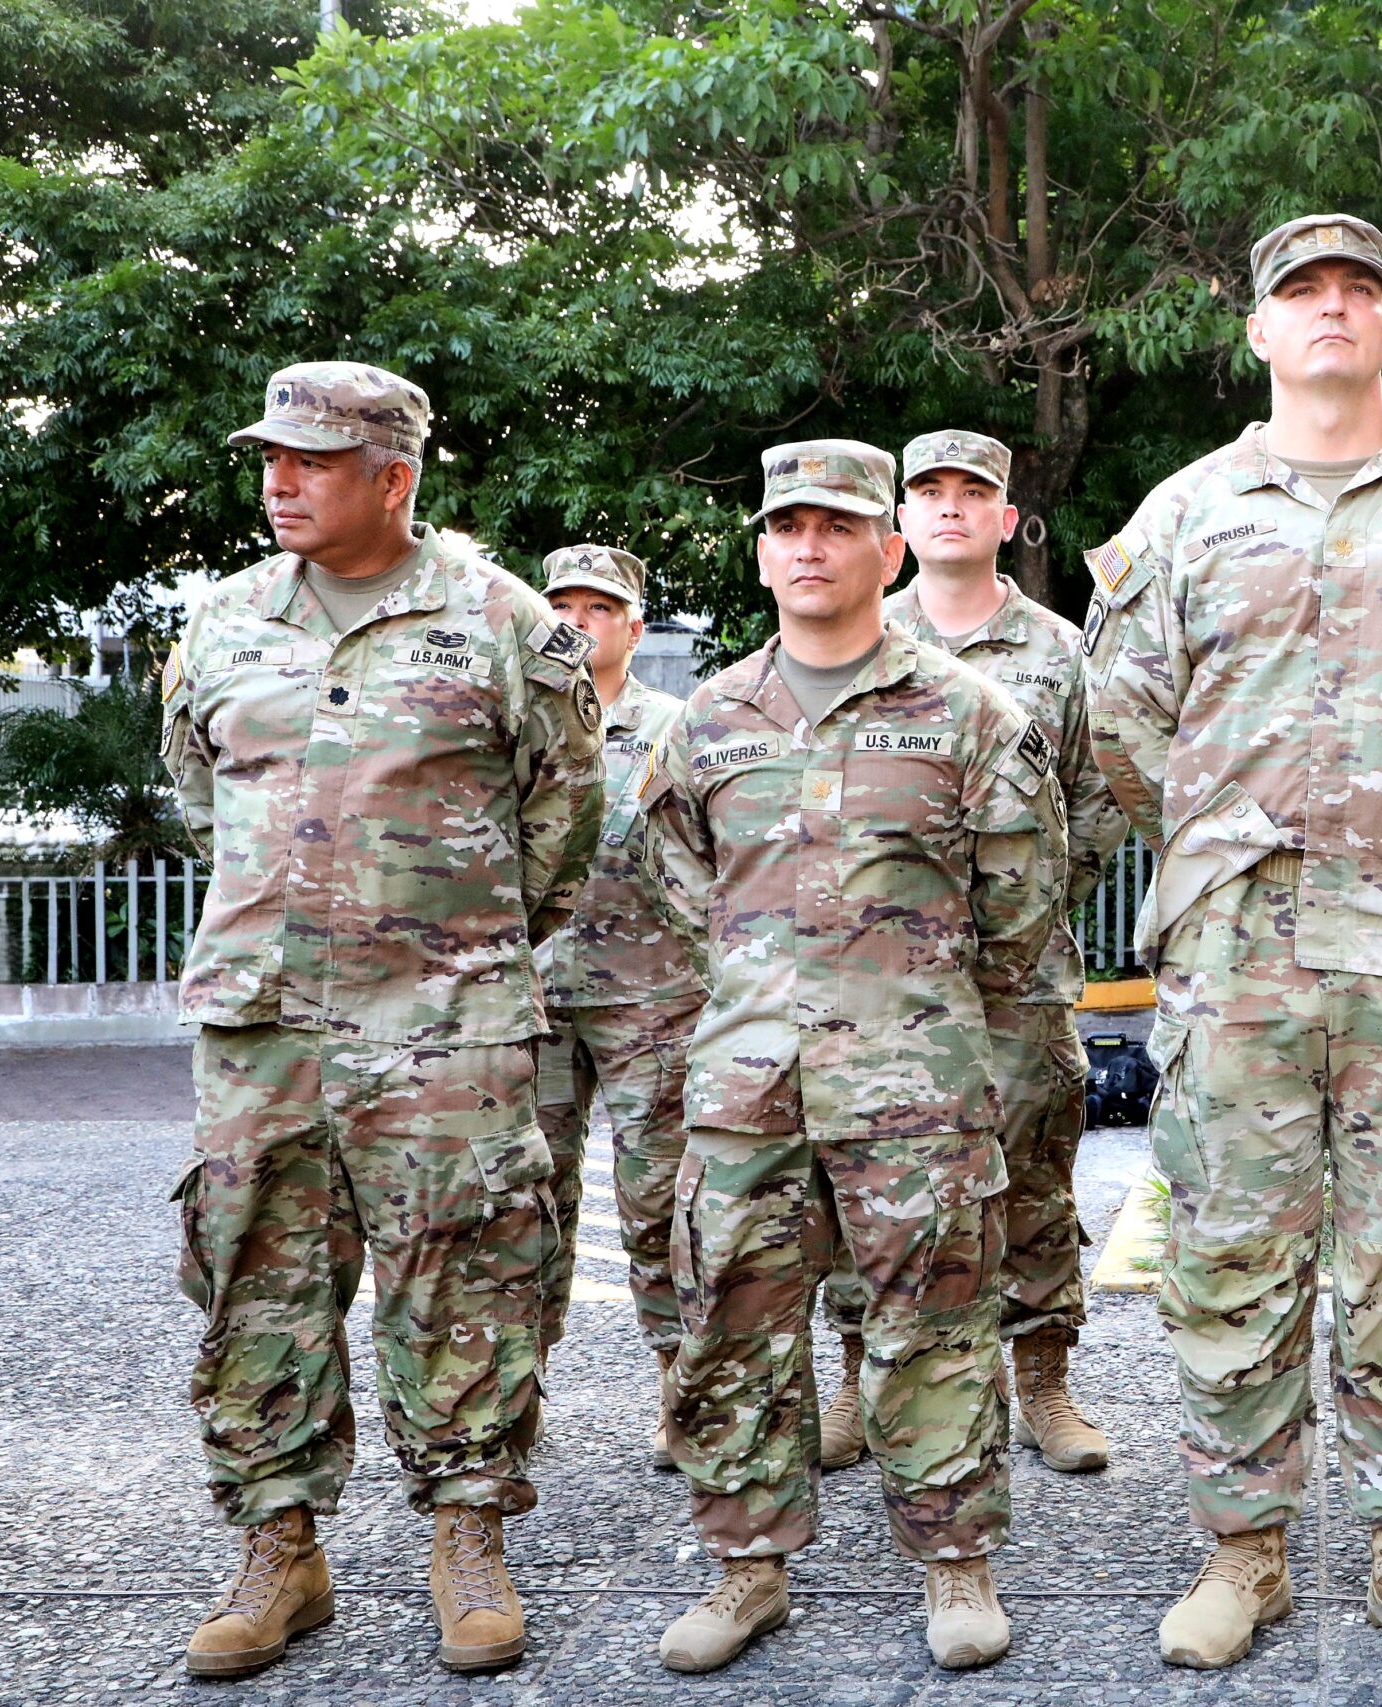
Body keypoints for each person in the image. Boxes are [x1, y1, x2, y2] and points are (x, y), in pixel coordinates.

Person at [1086, 214, 1382, 1681]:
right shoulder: (1185, 514)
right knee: (1231, 1250)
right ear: (1259, 329)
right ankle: (1245, 1548)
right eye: (1303, 291)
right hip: (1236, 947)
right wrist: (1228, 842)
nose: (1333, 309)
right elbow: (1126, 724)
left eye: (1360, 289)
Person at [162, 361, 602, 1678]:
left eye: (310, 460)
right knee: (256, 1275)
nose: (279, 482)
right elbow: (201, 795)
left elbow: (563, 816)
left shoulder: (506, 622)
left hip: (446, 1013)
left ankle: (468, 1536)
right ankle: (279, 1549)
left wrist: (453, 936)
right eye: (270, 458)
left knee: (466, 1272)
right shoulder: (223, 621)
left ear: (392, 477)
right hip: (263, 1018)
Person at [637, 440, 1068, 1676]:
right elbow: (680, 884)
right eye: (787, 528)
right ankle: (747, 1568)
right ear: (762, 555)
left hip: (914, 1084)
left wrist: (912, 1010)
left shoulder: (972, 715)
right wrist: (768, 990)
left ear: (887, 550)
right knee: (735, 1319)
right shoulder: (708, 721)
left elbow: (1019, 905)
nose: (809, 548)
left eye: (836, 527)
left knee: (936, 1320)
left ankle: (954, 1561)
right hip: (747, 1085)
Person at [814, 430, 1129, 1476]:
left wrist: (1025, 906)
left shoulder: (1060, 652)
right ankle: (863, 1378)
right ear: (901, 522)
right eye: (930, 491)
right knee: (869, 1175)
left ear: (1007, 518)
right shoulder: (853, 635)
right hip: (882, 978)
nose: (951, 506)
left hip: (1018, 974)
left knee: (1033, 1179)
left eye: (973, 492)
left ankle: (1042, 1382)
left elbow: (1099, 792)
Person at [528, 543, 706, 1465]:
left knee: (658, 1200)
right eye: (561, 606)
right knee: (525, 1199)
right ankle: (515, 1386)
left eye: (598, 608)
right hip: (533, 998)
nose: (578, 622)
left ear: (634, 629)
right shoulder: (511, 720)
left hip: (651, 1001)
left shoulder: (676, 727)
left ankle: (682, 1384)